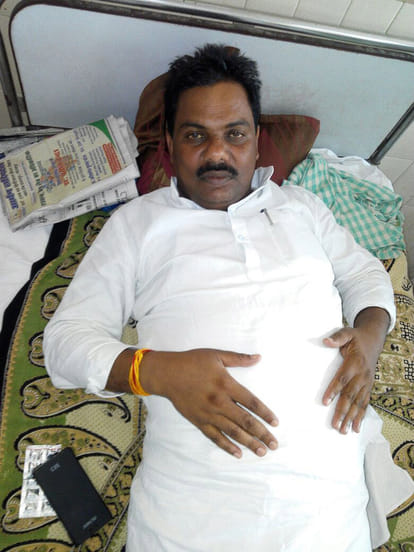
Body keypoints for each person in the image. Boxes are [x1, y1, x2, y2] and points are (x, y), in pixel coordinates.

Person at [44, 44, 413, 551]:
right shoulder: (137, 224)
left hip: (326, 517)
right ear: (170, 143)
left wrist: (370, 336)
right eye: (196, 135)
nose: (216, 154)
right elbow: (64, 344)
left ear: (257, 141)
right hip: (191, 516)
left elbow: (364, 273)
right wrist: (156, 371)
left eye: (234, 134)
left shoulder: (301, 207)